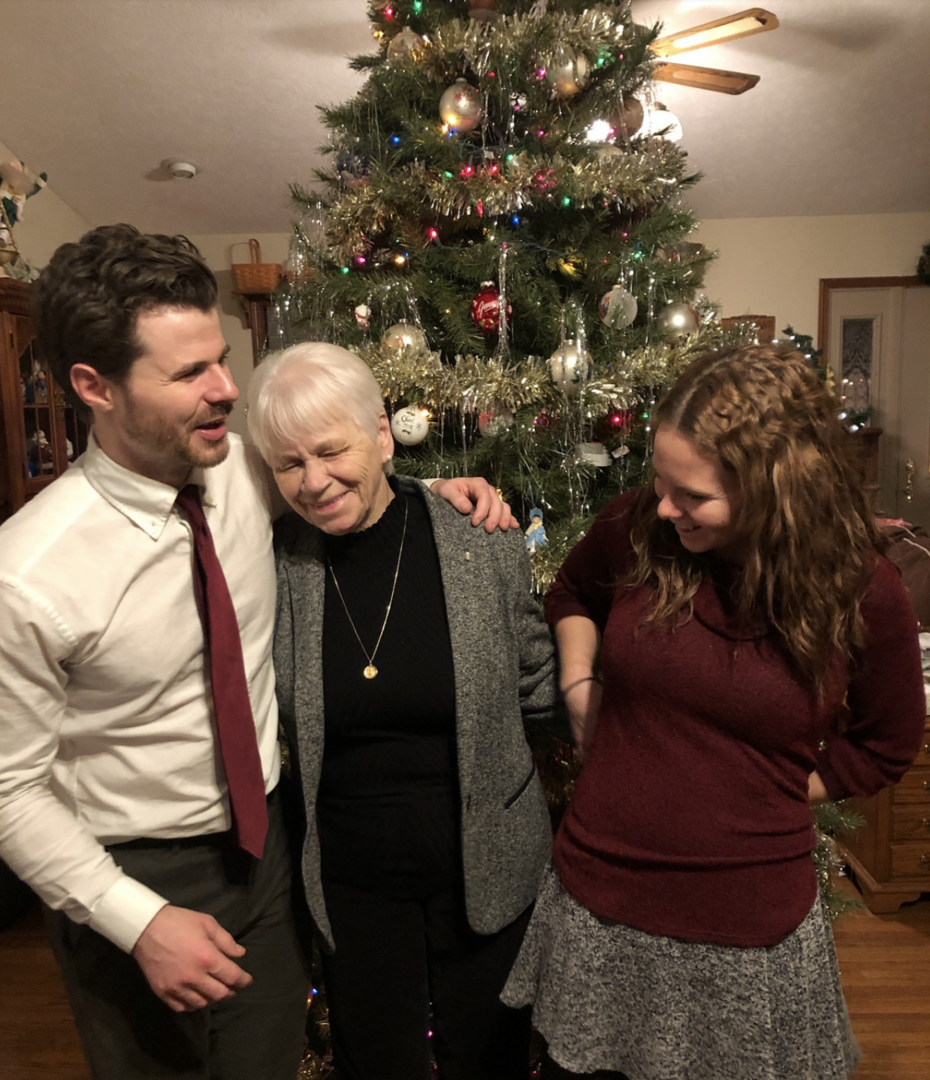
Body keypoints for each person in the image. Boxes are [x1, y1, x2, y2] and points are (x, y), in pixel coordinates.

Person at [0, 223, 513, 1080]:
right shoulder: (27, 575)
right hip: (131, 869)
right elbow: (9, 788)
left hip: (270, 852)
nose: (227, 389)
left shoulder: (243, 473)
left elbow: (345, 479)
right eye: (189, 373)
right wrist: (134, 918)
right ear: (93, 386)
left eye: (221, 358)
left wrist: (438, 496)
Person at [502, 344, 927, 1080]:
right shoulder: (644, 527)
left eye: (692, 495)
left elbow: (886, 745)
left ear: (774, 487)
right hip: (598, 904)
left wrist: (769, 794)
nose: (666, 507)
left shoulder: (862, 589)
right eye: (662, 483)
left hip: (747, 929)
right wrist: (578, 681)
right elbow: (570, 590)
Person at [246, 341, 562, 1080]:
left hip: (487, 866)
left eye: (332, 450)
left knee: (490, 1062)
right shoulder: (273, 562)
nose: (316, 481)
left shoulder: (480, 539)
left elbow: (538, 683)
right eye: (290, 464)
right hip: (353, 884)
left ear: (383, 435)